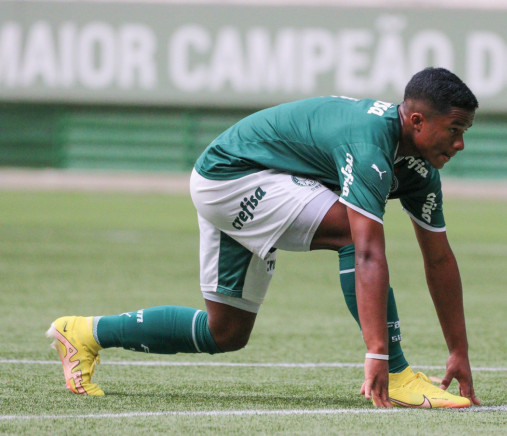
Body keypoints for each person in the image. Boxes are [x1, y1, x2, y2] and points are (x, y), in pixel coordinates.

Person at [47, 67, 480, 409]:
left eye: (466, 133)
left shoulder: (420, 168)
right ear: (417, 120)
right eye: (455, 129)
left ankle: (83, 332)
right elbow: (365, 252)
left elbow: (439, 260)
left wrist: (457, 351)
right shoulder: (370, 144)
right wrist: (381, 356)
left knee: (226, 332)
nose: (460, 144)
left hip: (249, 177)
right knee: (354, 233)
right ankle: (402, 375)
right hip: (234, 175)